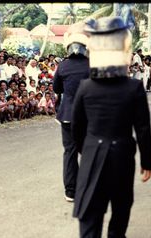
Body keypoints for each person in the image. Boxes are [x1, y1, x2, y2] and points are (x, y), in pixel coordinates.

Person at [71, 17, 151, 238]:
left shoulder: (86, 87)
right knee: (121, 204)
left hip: (93, 154)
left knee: (90, 212)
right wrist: (146, 162)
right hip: (123, 156)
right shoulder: (134, 88)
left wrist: (86, 151)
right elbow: (143, 129)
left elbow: (77, 127)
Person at [53, 21, 90, 202]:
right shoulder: (93, 65)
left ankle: (70, 191)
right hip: (88, 116)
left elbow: (56, 88)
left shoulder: (62, 66)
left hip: (67, 115)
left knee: (70, 152)